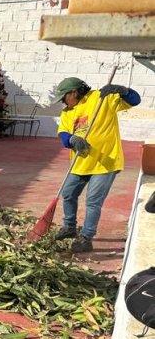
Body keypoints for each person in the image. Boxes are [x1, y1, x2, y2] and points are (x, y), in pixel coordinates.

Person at [53, 76, 141, 252]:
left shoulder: (102, 98)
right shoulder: (67, 112)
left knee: (93, 201)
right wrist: (71, 139)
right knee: (68, 193)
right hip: (80, 162)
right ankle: (69, 227)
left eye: (64, 97)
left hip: (105, 163)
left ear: (74, 92)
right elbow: (63, 134)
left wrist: (123, 90)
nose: (63, 102)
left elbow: (135, 100)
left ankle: (86, 237)